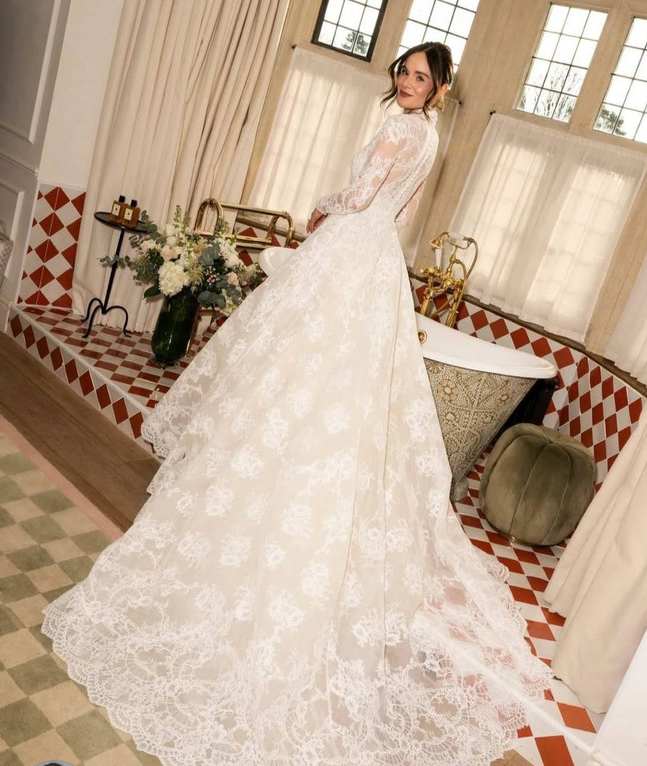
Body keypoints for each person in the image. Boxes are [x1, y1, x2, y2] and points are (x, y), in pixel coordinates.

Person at [42, 42, 551, 766]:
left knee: (288, 372)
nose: (407, 84)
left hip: (347, 251)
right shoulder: (430, 137)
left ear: (437, 91)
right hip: (375, 265)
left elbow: (363, 198)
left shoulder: (400, 129)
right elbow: (399, 216)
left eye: (420, 78)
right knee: (331, 388)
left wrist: (320, 210)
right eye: (403, 72)